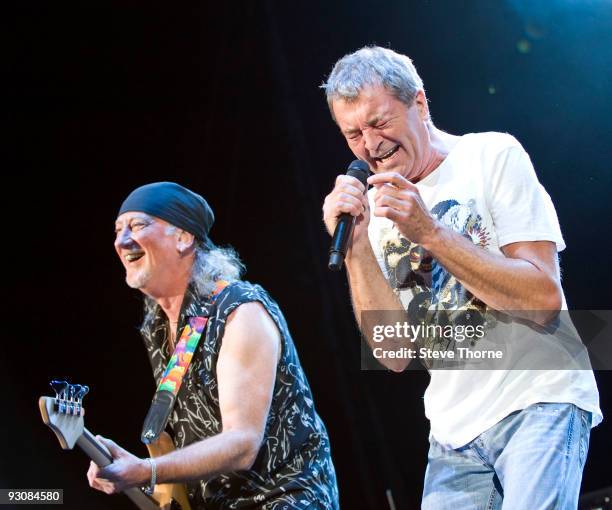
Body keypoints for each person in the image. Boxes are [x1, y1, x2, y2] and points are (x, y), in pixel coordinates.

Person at [321, 46, 601, 509]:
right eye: (353, 133)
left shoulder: (490, 154)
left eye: (379, 123)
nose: (370, 145)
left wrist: (430, 232)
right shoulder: (379, 210)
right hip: (453, 434)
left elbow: (543, 296)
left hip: (538, 396)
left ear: (420, 103)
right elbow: (394, 354)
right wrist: (355, 246)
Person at [88, 182, 339, 509]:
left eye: (138, 225)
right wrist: (137, 470)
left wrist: (147, 471)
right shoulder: (161, 328)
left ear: (183, 237)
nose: (122, 241)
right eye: (118, 229)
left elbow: (242, 442)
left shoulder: (240, 309)